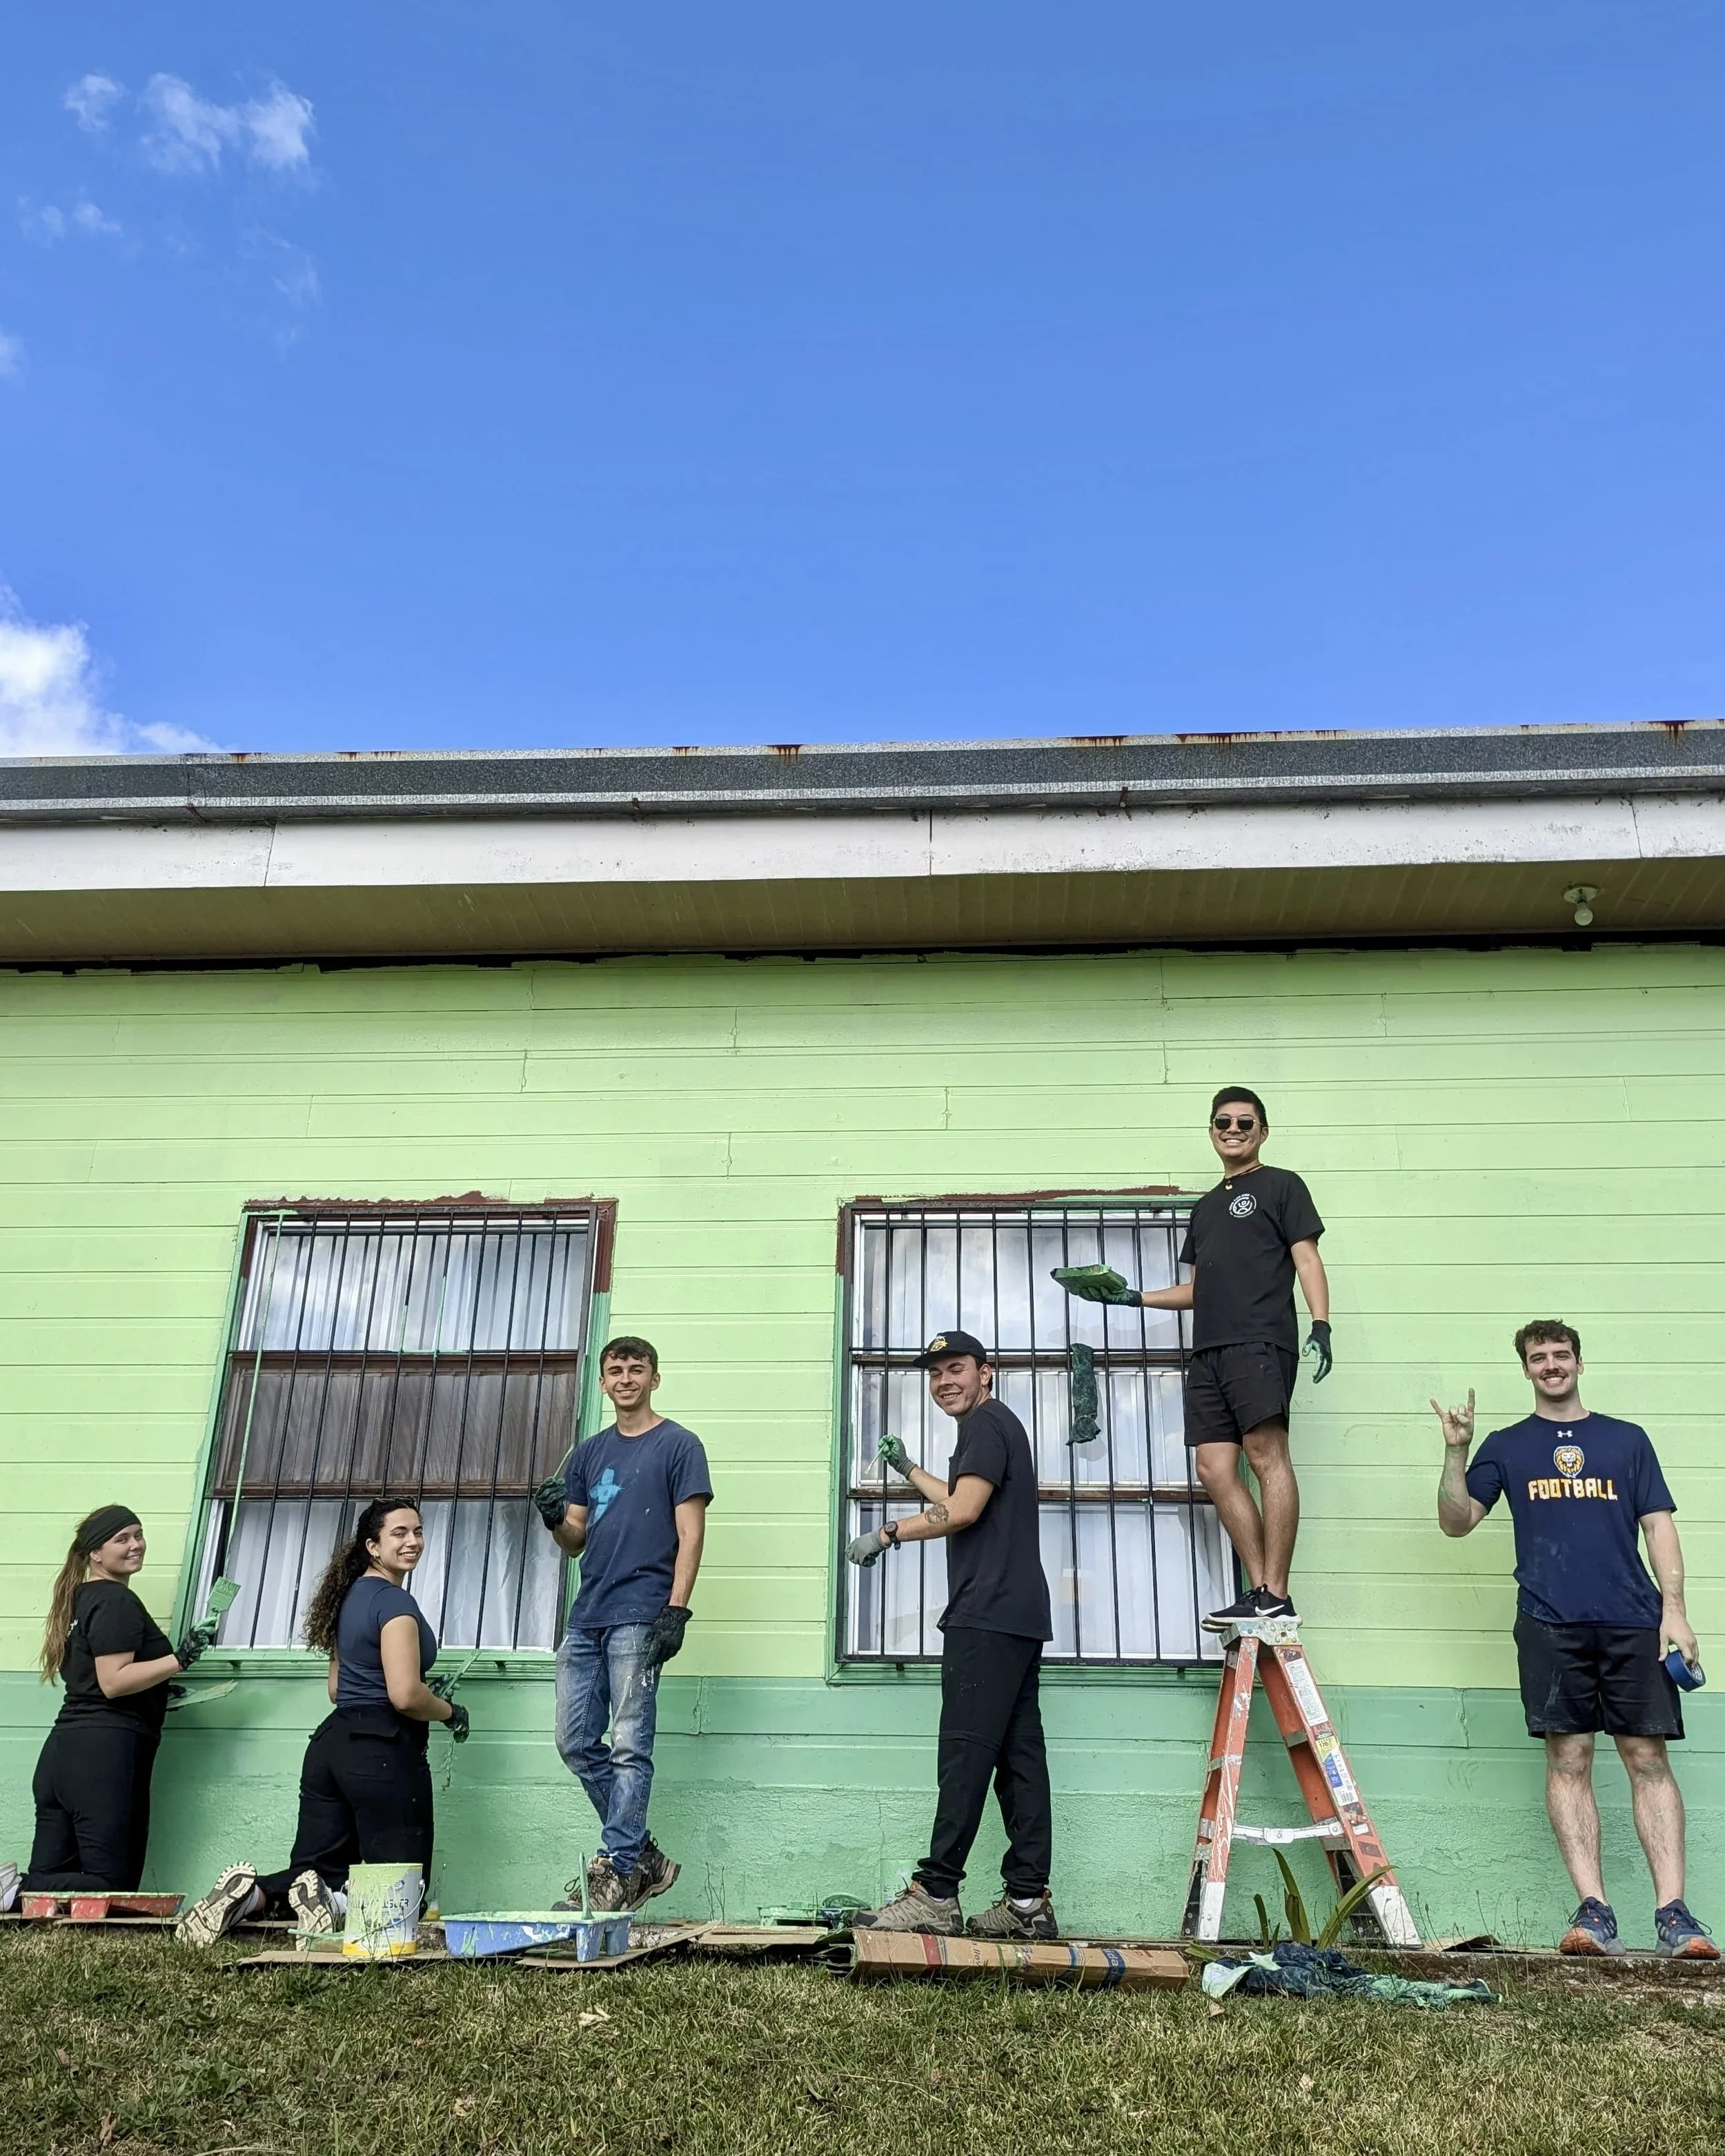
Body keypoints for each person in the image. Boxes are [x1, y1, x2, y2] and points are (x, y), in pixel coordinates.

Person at [1434, 1321, 1716, 1960]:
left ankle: (1675, 1915)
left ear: (1580, 1364)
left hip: (1633, 1619)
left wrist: (1675, 1612)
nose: (1551, 1364)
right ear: (1526, 1369)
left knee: (1648, 1758)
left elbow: (1659, 1527)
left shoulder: (1626, 1439)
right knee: (1569, 1758)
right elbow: (1456, 1522)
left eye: (1561, 1354)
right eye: (1539, 1357)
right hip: (1548, 1621)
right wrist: (1456, 1452)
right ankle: (1595, 1913)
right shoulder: (1506, 1446)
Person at [1058, 1085, 1329, 1627]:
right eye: (1223, 1122)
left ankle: (1278, 1591)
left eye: (1245, 1122)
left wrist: (1321, 1324)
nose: (1234, 1130)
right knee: (1213, 1466)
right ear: (1211, 1131)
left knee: (1265, 1454)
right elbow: (1199, 1288)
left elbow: (1307, 1258)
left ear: (1263, 1131)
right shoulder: (1204, 1209)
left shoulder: (1282, 1185)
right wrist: (1133, 1298)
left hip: (1259, 1340)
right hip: (1207, 1351)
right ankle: (1260, 1590)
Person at [175, 1496, 467, 1946]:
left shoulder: (347, 1599)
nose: (413, 1541)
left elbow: (336, 1688)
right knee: (400, 1883)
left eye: (418, 1531)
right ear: (373, 1546)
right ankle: (338, 1910)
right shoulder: (395, 1604)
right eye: (399, 1533)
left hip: (331, 1745)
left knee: (316, 1871)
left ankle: (250, 1896)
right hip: (383, 1748)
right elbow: (406, 1695)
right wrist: (449, 1711)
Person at [849, 1329, 1058, 1941]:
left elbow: (962, 1512)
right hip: (1018, 1612)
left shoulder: (985, 1424)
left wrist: (887, 1532)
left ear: (985, 1372)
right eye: (936, 1373)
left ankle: (936, 1893)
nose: (945, 1381)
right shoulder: (995, 1426)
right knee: (1018, 1760)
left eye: (956, 1368)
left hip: (986, 1611)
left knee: (965, 1753)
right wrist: (908, 1467)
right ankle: (1028, 1903)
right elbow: (963, 1498)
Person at [533, 1336, 711, 1915]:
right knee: (575, 1741)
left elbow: (691, 1534)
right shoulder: (588, 1453)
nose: (626, 1378)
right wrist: (554, 1516)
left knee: (631, 1744)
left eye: (637, 1368)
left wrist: (676, 1610)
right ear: (604, 1382)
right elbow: (574, 1540)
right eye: (616, 1370)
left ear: (655, 1378)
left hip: (642, 1612)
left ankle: (619, 1864)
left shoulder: (679, 1444)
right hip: (588, 1615)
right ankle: (643, 1855)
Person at [0, 1505, 208, 1915]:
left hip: (63, 1755)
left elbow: (96, 1681)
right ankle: (20, 1886)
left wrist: (159, 1690)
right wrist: (180, 1659)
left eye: (138, 1534)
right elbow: (113, 1682)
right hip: (105, 1754)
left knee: (52, 1876)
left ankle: (18, 1889)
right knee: (112, 1883)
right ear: (95, 1553)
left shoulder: (81, 1599)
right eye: (122, 1539)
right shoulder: (116, 1600)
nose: (136, 1545)